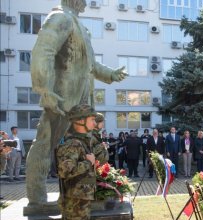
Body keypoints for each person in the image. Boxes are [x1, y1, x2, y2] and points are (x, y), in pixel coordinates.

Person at [25, 0, 128, 206]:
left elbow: (90, 64)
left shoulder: (79, 24)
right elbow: (43, 51)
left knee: (80, 148)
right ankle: (37, 198)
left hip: (81, 102)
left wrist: (111, 74)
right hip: (61, 99)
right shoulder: (60, 16)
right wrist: (45, 89)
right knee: (46, 144)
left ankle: (73, 194)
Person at [56, 104, 98, 220]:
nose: (95, 123)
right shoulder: (72, 143)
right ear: (80, 120)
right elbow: (64, 170)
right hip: (74, 203)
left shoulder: (82, 142)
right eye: (92, 119)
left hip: (81, 202)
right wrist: (88, 162)